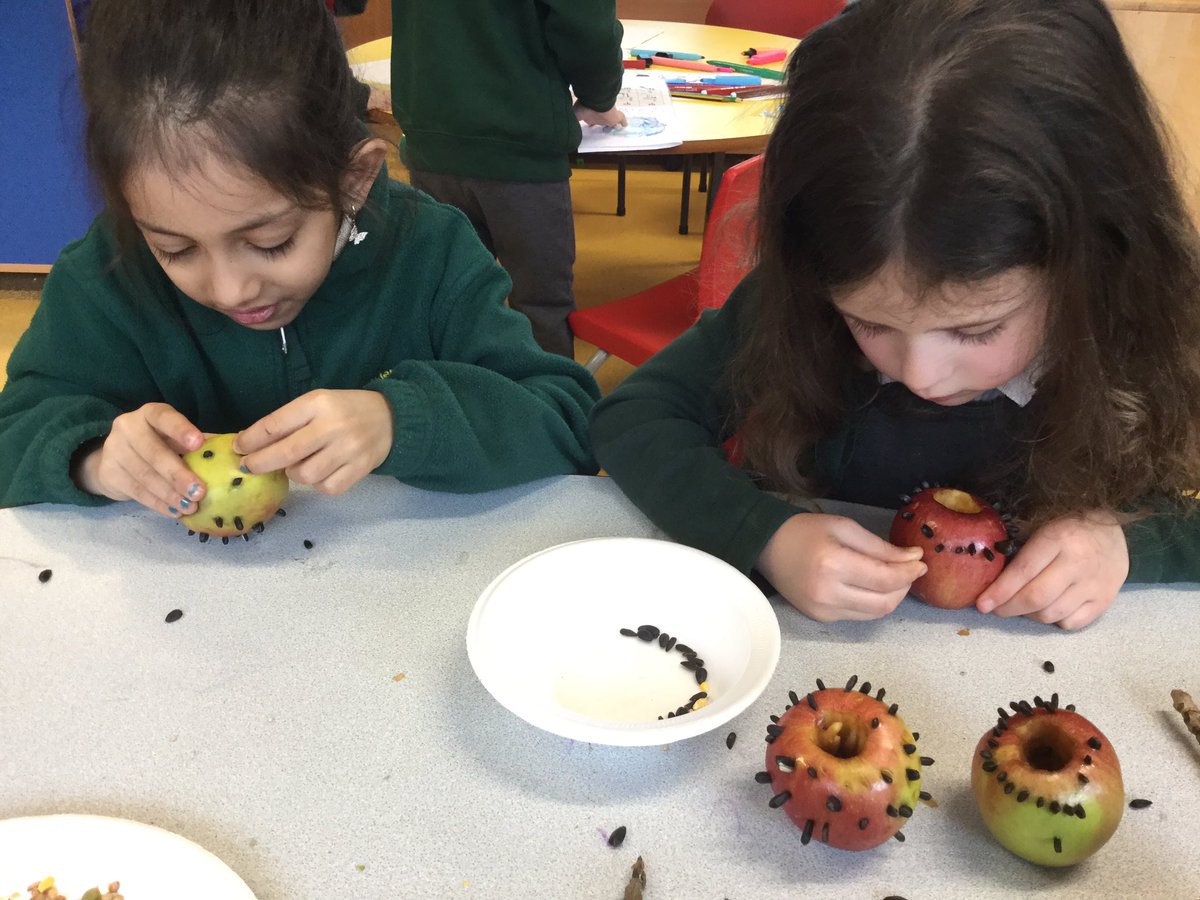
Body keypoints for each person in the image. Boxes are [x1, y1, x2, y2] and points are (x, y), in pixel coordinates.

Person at [590, 0, 1200, 629]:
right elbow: (635, 416)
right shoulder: (796, 303)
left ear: (1093, 262)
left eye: (975, 329)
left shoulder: (1151, 328)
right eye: (871, 323)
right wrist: (765, 535)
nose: (920, 376)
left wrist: (1130, 544)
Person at [0, 0, 600, 521]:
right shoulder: (106, 274)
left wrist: (402, 419)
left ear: (356, 180)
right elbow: (13, 436)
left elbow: (567, 420)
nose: (231, 290)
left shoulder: (433, 253)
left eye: (270, 242)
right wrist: (92, 457)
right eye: (175, 249)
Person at [389, 0, 627, 358]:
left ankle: (463, 405)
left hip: (431, 127)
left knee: (451, 299)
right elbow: (586, 26)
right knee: (540, 308)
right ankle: (548, 409)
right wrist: (599, 96)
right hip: (520, 143)